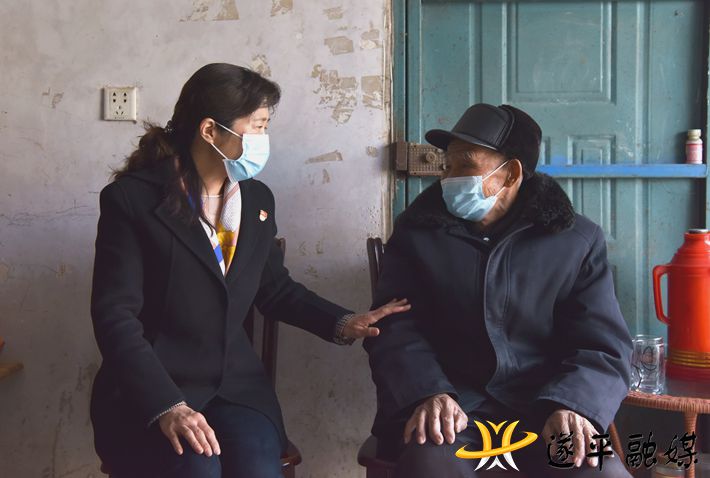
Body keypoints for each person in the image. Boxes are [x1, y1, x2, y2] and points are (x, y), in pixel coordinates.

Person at [89, 63, 410, 478]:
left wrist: (344, 322)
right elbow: (115, 316)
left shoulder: (256, 200)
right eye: (257, 126)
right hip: (153, 390)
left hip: (235, 389)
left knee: (258, 467)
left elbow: (274, 289)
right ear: (210, 130)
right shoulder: (132, 200)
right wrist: (167, 406)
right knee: (196, 467)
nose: (263, 139)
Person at [364, 104, 633, 477]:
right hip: (455, 410)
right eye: (447, 166)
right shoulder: (418, 233)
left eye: (465, 165)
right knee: (430, 466)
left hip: (545, 407)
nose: (449, 178)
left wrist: (574, 405)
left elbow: (604, 344)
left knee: (602, 472)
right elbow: (393, 328)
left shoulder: (576, 241)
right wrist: (428, 392)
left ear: (511, 173)